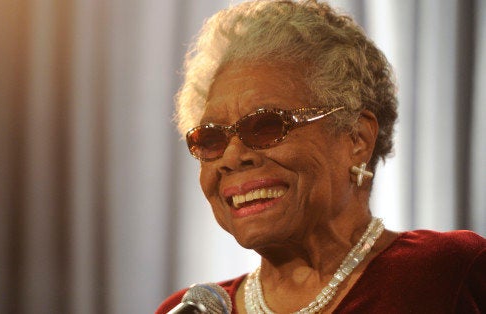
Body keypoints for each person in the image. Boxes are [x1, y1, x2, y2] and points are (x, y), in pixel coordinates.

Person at [156, 0, 485, 313]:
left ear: (357, 138)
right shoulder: (191, 310)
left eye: (266, 126)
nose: (231, 157)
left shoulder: (444, 275)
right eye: (211, 139)